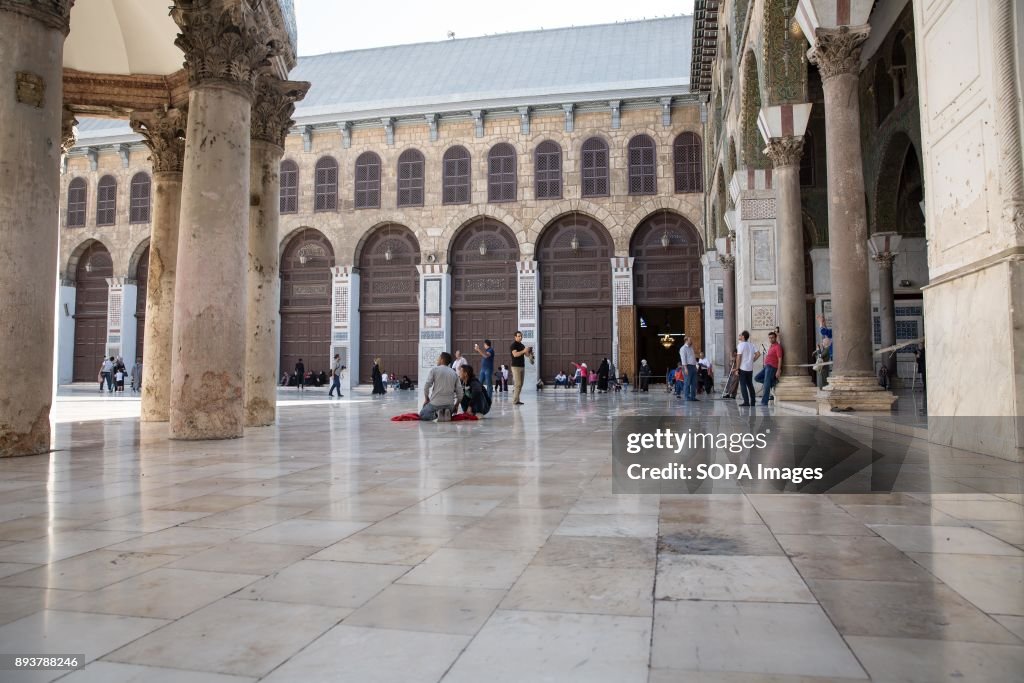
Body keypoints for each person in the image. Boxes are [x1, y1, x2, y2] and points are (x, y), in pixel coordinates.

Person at [420, 351, 461, 421]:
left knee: (422, 414)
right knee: (449, 408)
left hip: (436, 403)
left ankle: (437, 414)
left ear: (442, 360)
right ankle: (447, 413)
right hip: (449, 404)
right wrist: (456, 405)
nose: (437, 360)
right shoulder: (454, 373)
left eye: (438, 358)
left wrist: (426, 398)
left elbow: (427, 386)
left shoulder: (434, 370)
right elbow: (460, 392)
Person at [734, 331, 760, 406]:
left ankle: (746, 402)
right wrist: (752, 360)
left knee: (743, 385)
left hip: (743, 368)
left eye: (740, 335)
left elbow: (738, 357)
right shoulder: (751, 345)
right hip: (750, 368)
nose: (739, 336)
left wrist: (737, 368)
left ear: (743, 336)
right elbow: (758, 354)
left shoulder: (740, 345)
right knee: (750, 385)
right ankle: (753, 401)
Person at [760, 331, 782, 405]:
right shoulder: (771, 346)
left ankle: (764, 402)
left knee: (766, 384)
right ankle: (773, 382)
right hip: (767, 366)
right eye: (769, 338)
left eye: (772, 338)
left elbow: (779, 358)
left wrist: (778, 370)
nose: (771, 339)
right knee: (757, 378)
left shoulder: (777, 346)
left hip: (772, 367)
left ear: (775, 338)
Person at [509, 331, 531, 406]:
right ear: (515, 337)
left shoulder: (522, 345)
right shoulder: (513, 345)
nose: (520, 337)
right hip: (515, 367)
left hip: (522, 366)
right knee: (517, 384)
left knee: (520, 384)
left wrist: (529, 352)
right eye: (518, 336)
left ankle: (517, 400)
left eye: (521, 336)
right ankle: (515, 401)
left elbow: (526, 355)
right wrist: (524, 351)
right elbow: (515, 354)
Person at [679, 336, 698, 401]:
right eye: (690, 340)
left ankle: (693, 397)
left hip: (693, 366)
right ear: (686, 340)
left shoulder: (691, 348)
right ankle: (687, 397)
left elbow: (693, 358)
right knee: (687, 383)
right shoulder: (683, 349)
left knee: (694, 383)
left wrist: (695, 366)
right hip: (687, 367)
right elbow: (683, 359)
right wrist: (685, 368)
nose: (691, 341)